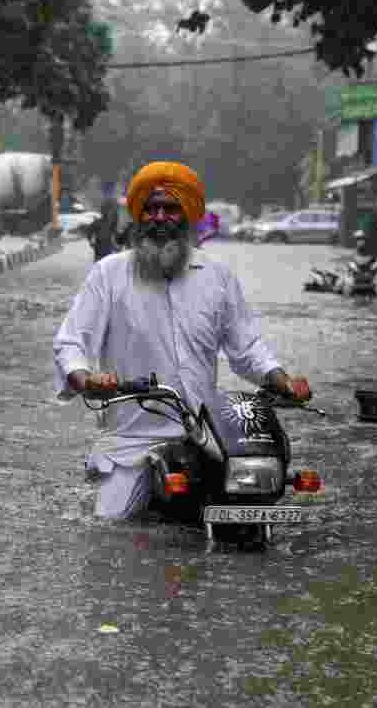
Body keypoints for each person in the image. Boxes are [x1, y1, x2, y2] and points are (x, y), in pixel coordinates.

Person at [53, 161, 312, 519]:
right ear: (139, 216)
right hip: (134, 440)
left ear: (187, 214)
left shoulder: (217, 277)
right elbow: (71, 342)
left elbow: (248, 347)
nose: (160, 217)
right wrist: (86, 379)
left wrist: (283, 381)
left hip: (209, 437)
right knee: (110, 524)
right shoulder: (109, 274)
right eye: (151, 208)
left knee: (258, 505)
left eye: (170, 208)